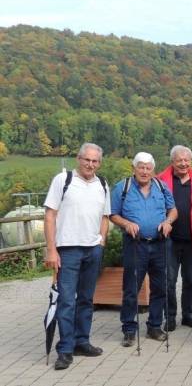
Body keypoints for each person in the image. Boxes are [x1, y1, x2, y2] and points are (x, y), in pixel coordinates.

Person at [44, 143, 111, 370]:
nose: (90, 164)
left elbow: (105, 216)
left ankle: (82, 341)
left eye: (95, 161)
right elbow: (50, 215)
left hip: (93, 250)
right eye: (87, 160)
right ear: (78, 159)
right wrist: (51, 249)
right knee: (65, 301)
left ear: (99, 163)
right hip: (68, 249)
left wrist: (101, 240)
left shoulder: (102, 184)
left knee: (86, 299)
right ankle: (64, 349)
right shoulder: (63, 181)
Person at [110, 152, 177, 347]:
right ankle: (129, 330)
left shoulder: (161, 187)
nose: (145, 171)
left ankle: (154, 326)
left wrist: (168, 221)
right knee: (132, 288)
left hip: (160, 243)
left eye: (148, 168)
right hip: (135, 245)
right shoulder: (122, 188)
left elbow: (173, 210)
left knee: (160, 287)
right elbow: (113, 214)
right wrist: (126, 223)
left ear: (153, 170)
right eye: (141, 167)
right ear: (134, 168)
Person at [158, 145, 192, 332]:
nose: (183, 163)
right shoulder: (161, 182)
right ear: (172, 162)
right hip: (169, 240)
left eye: (186, 160)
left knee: (190, 279)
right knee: (169, 280)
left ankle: (188, 314)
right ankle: (170, 316)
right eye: (179, 160)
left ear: (191, 161)